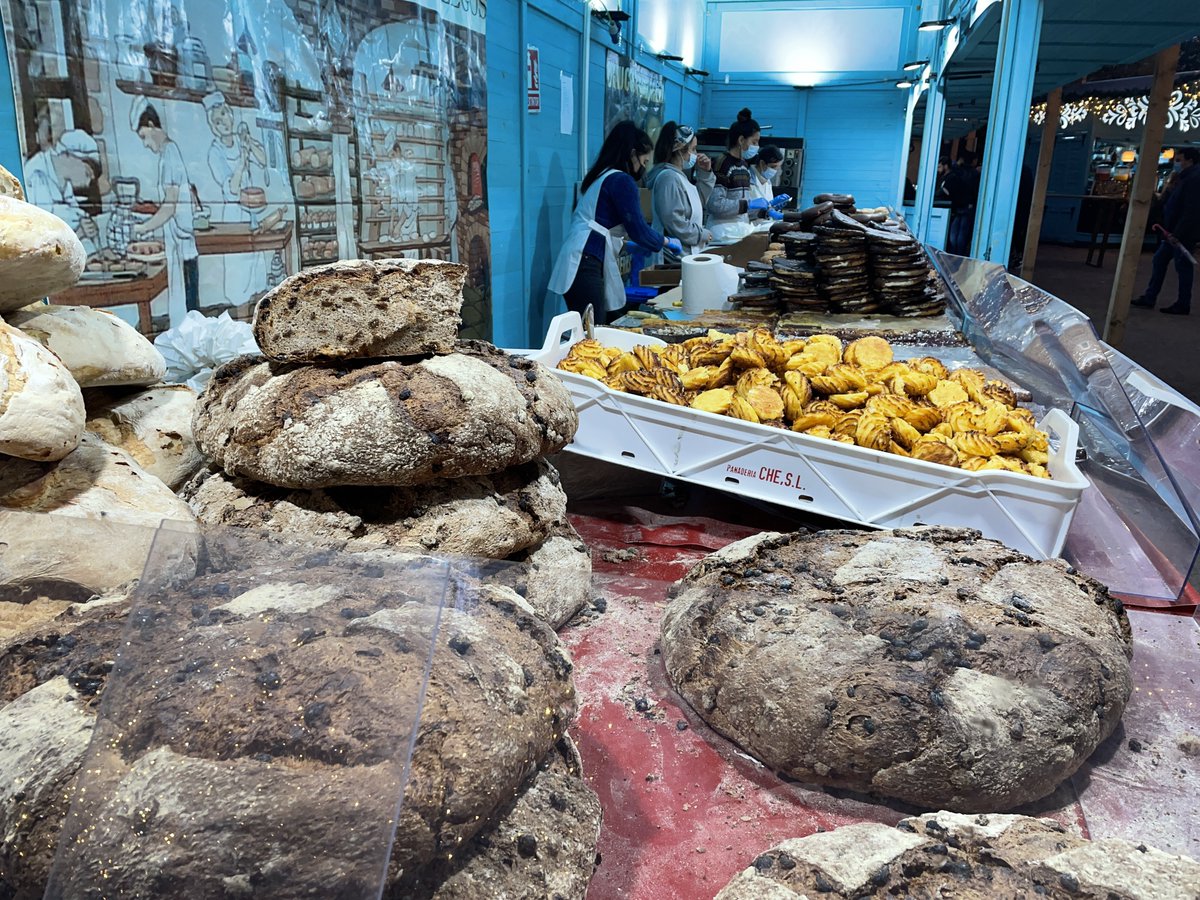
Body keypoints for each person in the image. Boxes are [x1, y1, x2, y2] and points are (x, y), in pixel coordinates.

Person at [548, 121, 682, 322]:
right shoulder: (621, 180)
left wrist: (630, 246)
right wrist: (666, 242)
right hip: (584, 262)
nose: (643, 169)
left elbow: (606, 228)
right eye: (644, 162)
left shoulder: (602, 175)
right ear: (632, 154)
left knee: (594, 327)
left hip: (583, 259)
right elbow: (638, 229)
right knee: (592, 332)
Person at [133, 101, 199, 324]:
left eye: (143, 136)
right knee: (188, 312)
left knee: (190, 314)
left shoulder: (170, 153)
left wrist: (142, 227)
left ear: (152, 125)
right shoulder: (169, 154)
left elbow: (170, 207)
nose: (144, 144)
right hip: (180, 244)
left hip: (183, 247)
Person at [204, 91, 268, 301]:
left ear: (231, 114)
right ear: (213, 127)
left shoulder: (241, 140)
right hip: (233, 217)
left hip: (251, 215)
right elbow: (232, 188)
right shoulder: (215, 152)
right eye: (218, 121)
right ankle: (241, 316)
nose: (224, 122)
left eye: (225, 114)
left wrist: (248, 142)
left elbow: (263, 160)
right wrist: (241, 162)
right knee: (239, 278)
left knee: (256, 274)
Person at [1132, 146, 1200, 315]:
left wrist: (1178, 233)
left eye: (1179, 159)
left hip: (1180, 233)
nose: (1176, 163)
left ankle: (1182, 303)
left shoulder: (1193, 179)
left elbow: (1190, 209)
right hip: (1173, 231)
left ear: (1189, 160)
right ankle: (1151, 297)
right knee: (1160, 260)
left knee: (1181, 266)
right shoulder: (1185, 177)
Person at [23, 116, 102, 254]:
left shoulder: (64, 183)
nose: (88, 183)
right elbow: (41, 244)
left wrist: (87, 225)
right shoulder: (36, 176)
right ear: (70, 156)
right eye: (87, 173)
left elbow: (74, 215)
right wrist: (80, 233)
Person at [644, 122, 714, 264]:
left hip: (685, 254)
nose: (696, 154)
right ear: (681, 150)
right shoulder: (668, 178)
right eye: (693, 149)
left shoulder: (679, 177)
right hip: (671, 258)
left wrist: (705, 174)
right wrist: (700, 234)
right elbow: (674, 220)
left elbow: (698, 203)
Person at [704, 108, 786, 230]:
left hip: (739, 231)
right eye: (754, 142)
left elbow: (743, 211)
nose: (757, 147)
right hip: (721, 232)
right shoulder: (722, 164)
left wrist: (766, 211)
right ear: (741, 140)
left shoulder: (743, 166)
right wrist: (748, 204)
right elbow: (715, 205)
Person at [747, 144, 791, 219]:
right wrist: (768, 211)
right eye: (773, 167)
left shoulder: (767, 181)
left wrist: (774, 206)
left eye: (778, 167)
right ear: (762, 163)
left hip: (762, 225)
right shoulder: (747, 179)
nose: (775, 171)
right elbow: (741, 211)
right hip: (747, 226)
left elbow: (768, 205)